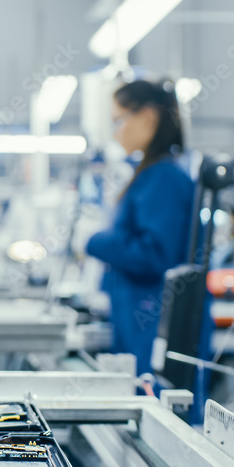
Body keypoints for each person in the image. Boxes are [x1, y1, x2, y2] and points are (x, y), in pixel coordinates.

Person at [84, 79, 195, 377]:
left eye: (119, 120)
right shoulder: (151, 175)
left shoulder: (164, 180)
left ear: (147, 117)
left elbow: (154, 255)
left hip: (151, 321)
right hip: (137, 317)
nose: (115, 131)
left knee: (155, 401)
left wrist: (95, 241)